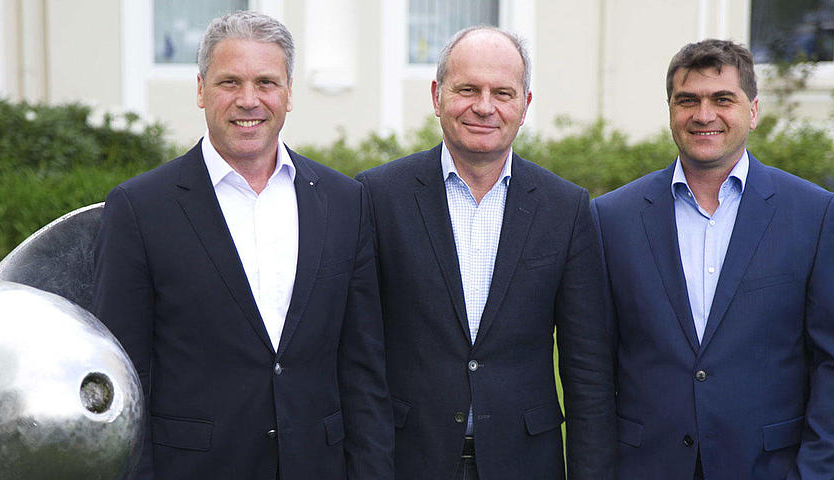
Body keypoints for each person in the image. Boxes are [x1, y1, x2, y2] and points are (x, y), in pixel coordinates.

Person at [91, 11, 393, 480]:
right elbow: (126, 379)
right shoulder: (140, 208)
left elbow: (362, 369)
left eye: (266, 83)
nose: (248, 100)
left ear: (289, 92)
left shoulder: (344, 201)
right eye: (229, 82)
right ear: (200, 89)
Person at [591, 39, 834, 479]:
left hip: (768, 467)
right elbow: (594, 370)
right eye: (688, 101)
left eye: (723, 99)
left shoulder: (813, 216)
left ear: (752, 111)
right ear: (670, 111)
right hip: (647, 466)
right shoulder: (611, 219)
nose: (704, 115)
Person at [357, 26, 616, 480]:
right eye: (467, 89)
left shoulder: (565, 208)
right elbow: (359, 357)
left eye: (502, 92)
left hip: (525, 462)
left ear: (525, 105)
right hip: (408, 458)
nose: (484, 106)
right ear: (437, 95)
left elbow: (587, 369)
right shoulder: (377, 197)